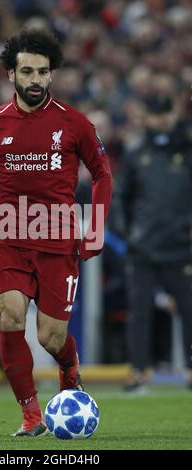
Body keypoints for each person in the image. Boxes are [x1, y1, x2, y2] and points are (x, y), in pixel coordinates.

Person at [0, 29, 112, 437]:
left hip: (57, 238)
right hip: (8, 234)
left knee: (50, 336)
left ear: (51, 75)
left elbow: (102, 174)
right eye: (27, 71)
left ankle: (68, 367)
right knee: (10, 317)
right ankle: (31, 416)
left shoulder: (73, 123)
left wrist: (94, 227)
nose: (35, 80)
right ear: (11, 73)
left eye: (43, 72)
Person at [118, 94, 192, 391]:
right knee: (139, 312)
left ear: (173, 114)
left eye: (165, 113)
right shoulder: (136, 155)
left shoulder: (188, 152)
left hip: (181, 246)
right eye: (155, 114)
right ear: (146, 117)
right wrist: (129, 234)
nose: (160, 120)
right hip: (144, 248)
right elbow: (123, 199)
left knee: (189, 309)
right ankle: (138, 370)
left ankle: (190, 369)